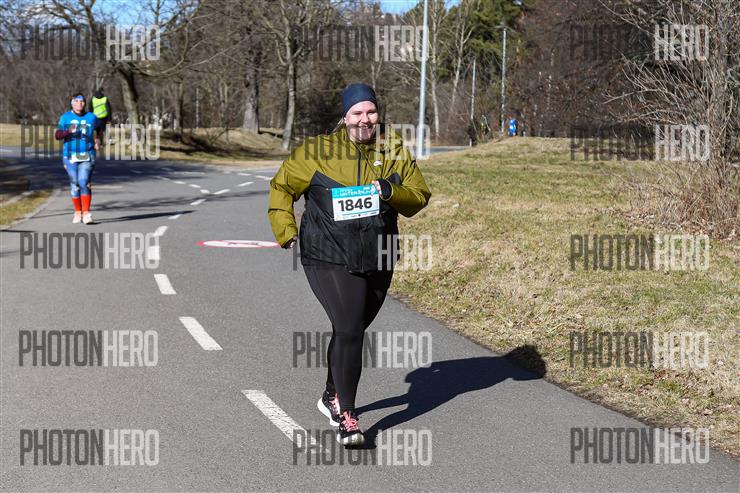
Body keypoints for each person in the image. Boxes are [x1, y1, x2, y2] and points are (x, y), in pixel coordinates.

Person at [268, 83, 431, 446]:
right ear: (344, 117)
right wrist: (286, 231)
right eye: (357, 113)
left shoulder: (393, 150)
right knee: (350, 328)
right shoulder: (316, 152)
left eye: (371, 111)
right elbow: (281, 187)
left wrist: (389, 190)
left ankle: (331, 393)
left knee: (353, 327)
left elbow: (419, 196)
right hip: (327, 253)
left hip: (378, 254)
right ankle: (347, 416)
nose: (365, 119)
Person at [54, 93, 100, 224]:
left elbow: (100, 127)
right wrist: (68, 131)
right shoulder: (66, 117)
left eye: (82, 101)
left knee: (83, 182)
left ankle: (86, 213)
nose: (79, 103)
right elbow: (57, 135)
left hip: (88, 153)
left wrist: (98, 139)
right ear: (72, 103)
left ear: (85, 103)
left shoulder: (91, 117)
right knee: (74, 182)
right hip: (70, 155)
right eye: (76, 101)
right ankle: (78, 212)